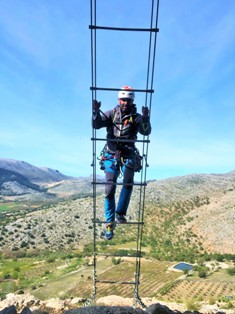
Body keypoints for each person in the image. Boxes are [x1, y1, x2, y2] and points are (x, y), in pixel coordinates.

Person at [92, 86, 151, 240]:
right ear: (119, 100)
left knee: (128, 183)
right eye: (123, 100)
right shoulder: (111, 114)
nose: (125, 103)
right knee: (109, 187)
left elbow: (145, 131)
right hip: (111, 154)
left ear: (132, 101)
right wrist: (95, 112)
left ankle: (120, 213)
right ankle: (109, 223)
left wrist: (145, 118)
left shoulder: (136, 117)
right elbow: (97, 125)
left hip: (128, 153)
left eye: (128, 100)